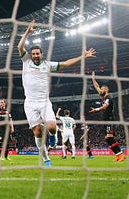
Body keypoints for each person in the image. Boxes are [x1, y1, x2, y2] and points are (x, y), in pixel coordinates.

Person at [17, 19, 96, 166]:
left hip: (44, 102)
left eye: (37, 54)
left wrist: (83, 56)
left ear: (42, 54)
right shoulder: (26, 61)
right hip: (30, 103)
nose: (34, 56)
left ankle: (53, 137)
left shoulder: (48, 65)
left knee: (52, 127)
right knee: (38, 133)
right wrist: (28, 31)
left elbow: (65, 64)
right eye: (33, 53)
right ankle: (46, 158)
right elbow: (20, 46)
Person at [89, 71, 125, 161]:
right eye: (101, 89)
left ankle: (121, 154)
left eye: (102, 88)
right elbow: (96, 86)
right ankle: (117, 155)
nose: (100, 89)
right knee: (107, 139)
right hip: (105, 120)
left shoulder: (108, 97)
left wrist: (96, 110)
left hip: (109, 119)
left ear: (106, 90)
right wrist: (93, 78)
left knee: (109, 137)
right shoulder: (103, 97)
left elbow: (104, 107)